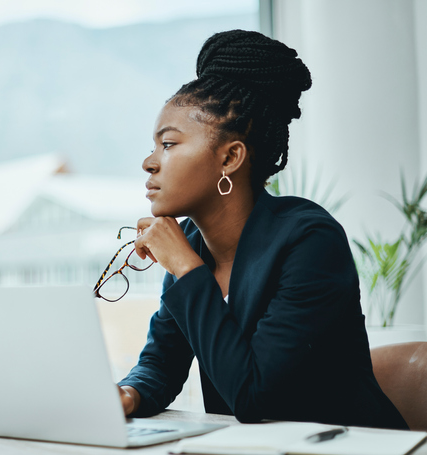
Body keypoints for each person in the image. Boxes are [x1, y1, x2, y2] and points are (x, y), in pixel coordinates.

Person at [116, 30, 408, 430]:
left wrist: (187, 270)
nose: (149, 163)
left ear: (230, 157)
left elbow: (254, 397)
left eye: (168, 144)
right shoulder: (192, 246)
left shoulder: (310, 240)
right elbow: (161, 363)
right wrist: (128, 393)